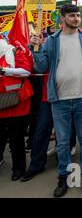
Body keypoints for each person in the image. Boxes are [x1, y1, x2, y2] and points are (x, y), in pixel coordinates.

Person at [30, 4, 82, 197]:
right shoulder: (52, 41)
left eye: (78, 15)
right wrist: (34, 48)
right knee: (62, 143)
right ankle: (63, 177)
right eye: (72, 15)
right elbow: (41, 66)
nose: (76, 18)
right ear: (62, 18)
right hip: (59, 99)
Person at [0, 37, 34, 181]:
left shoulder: (13, 51)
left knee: (16, 138)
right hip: (1, 103)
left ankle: (18, 168)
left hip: (17, 102)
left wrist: (3, 70)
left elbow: (26, 71)